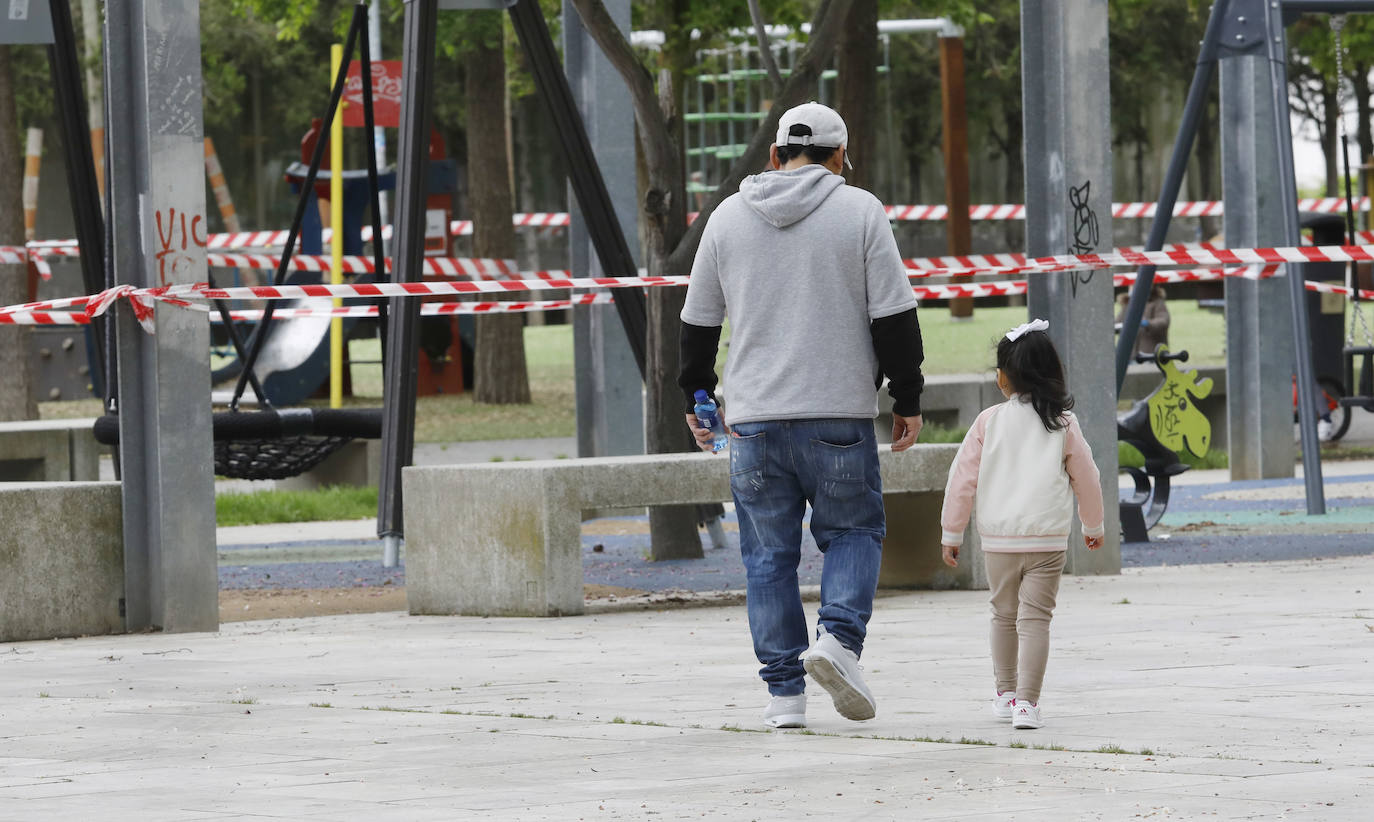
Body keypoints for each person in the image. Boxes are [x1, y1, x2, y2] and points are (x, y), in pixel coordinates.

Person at [677, 102, 926, 729]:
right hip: (837, 416)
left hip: (754, 422)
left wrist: (696, 397)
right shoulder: (861, 211)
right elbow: (894, 318)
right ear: (841, 155)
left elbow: (697, 324)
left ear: (774, 154)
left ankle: (784, 696)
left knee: (768, 560)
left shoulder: (726, 218)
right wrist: (908, 396)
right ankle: (838, 641)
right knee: (853, 533)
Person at [938, 320, 1104, 730]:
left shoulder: (988, 422)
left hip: (998, 540)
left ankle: (1005, 692)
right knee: (1036, 620)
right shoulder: (1063, 424)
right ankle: (1027, 704)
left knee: (1002, 613)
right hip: (1047, 539)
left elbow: (962, 480)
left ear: (1005, 377)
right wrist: (1092, 525)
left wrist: (951, 532)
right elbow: (1088, 478)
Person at [1115, 285, 1170, 358]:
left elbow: (1163, 322)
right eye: (1131, 285)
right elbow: (1116, 324)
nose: (1132, 288)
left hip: (1151, 355)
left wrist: (1147, 323)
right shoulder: (1128, 305)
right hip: (1130, 356)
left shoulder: (1157, 303)